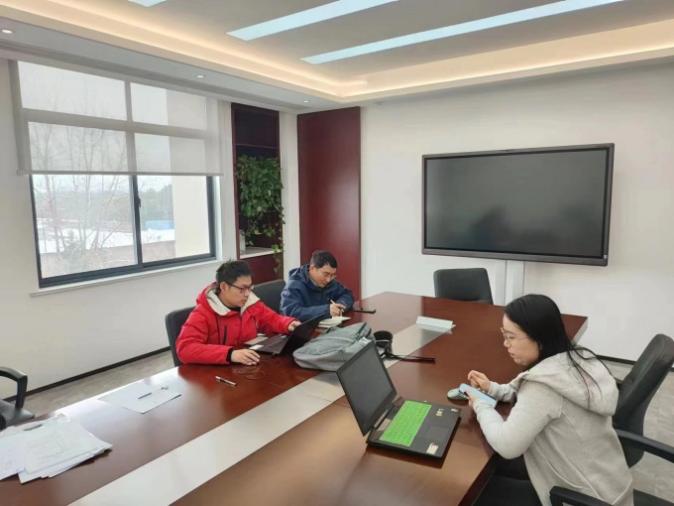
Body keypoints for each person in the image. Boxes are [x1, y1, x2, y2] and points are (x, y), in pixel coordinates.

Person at [467, 294, 633, 506]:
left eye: (511, 337)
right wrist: (493, 389)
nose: (505, 344)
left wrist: (481, 404)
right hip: (611, 489)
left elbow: (507, 445)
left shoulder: (542, 388)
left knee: (476, 494)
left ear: (539, 338)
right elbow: (539, 395)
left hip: (581, 499)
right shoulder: (577, 359)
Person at [176, 260, 300, 366]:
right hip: (216, 373)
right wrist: (230, 354)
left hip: (247, 364)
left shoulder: (251, 303)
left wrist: (288, 324)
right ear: (224, 287)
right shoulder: (203, 313)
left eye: (250, 287)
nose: (247, 294)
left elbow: (271, 319)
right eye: (242, 288)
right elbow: (185, 349)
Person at [280, 250, 354, 321]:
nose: (328, 279)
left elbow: (347, 294)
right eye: (326, 274)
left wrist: (339, 306)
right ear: (312, 268)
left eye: (332, 275)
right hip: (305, 328)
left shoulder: (329, 282)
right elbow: (291, 312)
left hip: (326, 325)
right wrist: (326, 310)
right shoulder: (294, 285)